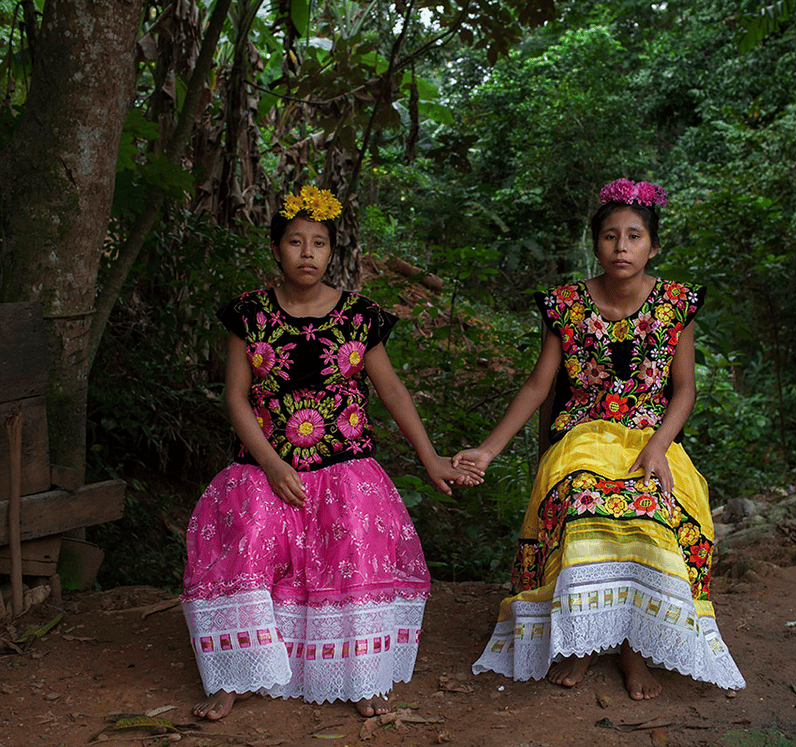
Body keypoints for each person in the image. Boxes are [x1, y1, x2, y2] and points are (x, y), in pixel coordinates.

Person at [180, 183, 480, 720]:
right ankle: (235, 676)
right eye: (296, 242)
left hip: (345, 467)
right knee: (246, 539)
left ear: (332, 251)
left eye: (319, 243)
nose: (308, 253)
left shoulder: (360, 317)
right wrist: (271, 466)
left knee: (354, 548)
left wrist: (430, 457)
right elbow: (235, 397)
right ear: (277, 249)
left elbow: (391, 392)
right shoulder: (248, 315)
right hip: (264, 465)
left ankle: (358, 675)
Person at [453, 177, 745, 700]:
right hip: (581, 440)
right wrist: (487, 450)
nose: (622, 246)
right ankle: (584, 641)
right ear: (596, 244)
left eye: (634, 236)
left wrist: (657, 446)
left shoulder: (676, 305)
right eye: (610, 236)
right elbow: (540, 385)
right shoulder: (566, 305)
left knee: (657, 507)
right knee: (583, 498)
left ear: (652, 246)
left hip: (650, 441)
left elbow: (684, 390)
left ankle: (634, 649)